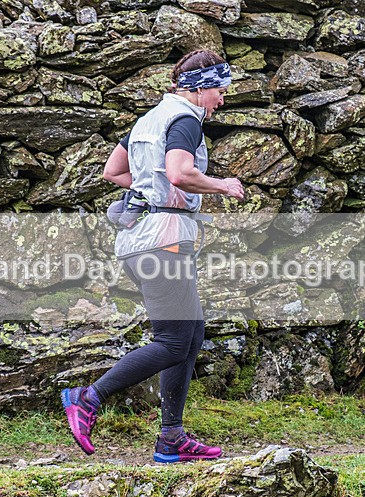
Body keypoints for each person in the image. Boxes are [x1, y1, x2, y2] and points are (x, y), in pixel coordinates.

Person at [61, 49, 245, 463]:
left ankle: (171, 438)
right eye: (220, 90)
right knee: (174, 340)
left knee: (191, 333)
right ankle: (87, 398)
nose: (222, 99)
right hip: (163, 241)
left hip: (141, 240)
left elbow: (113, 171)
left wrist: (151, 189)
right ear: (200, 89)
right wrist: (223, 185)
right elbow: (180, 172)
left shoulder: (149, 120)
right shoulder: (185, 121)